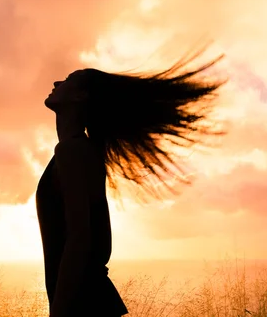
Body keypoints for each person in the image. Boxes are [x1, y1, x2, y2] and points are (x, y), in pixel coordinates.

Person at [35, 46, 225, 316]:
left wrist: (59, 313)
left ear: (81, 96)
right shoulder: (82, 151)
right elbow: (95, 240)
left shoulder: (73, 151)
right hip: (92, 300)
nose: (57, 82)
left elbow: (80, 238)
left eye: (68, 79)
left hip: (84, 305)